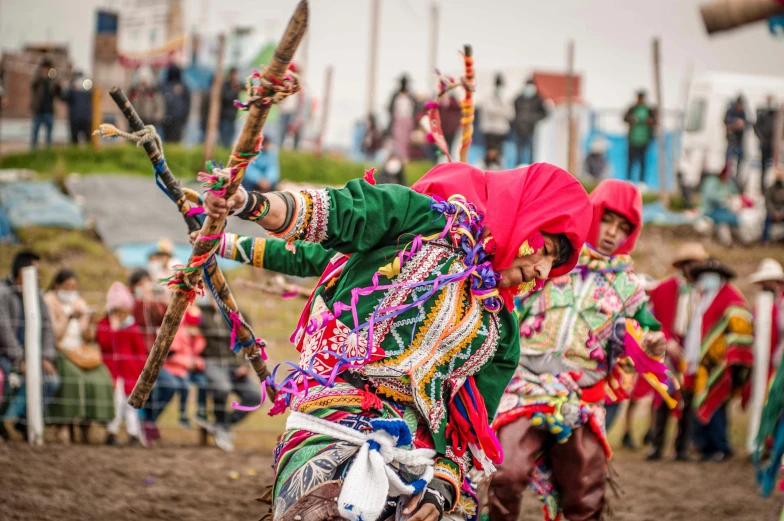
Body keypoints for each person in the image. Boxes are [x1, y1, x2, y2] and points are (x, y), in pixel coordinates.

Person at [203, 161, 592, 521]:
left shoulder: (502, 331)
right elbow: (334, 213)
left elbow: (470, 430)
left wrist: (441, 488)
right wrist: (248, 203)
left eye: (554, 264)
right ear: (521, 218)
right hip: (335, 418)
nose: (542, 269)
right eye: (544, 249)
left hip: (418, 458)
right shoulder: (420, 220)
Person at [487, 179, 667, 521]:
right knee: (504, 474)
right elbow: (509, 307)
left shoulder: (630, 289)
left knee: (585, 492)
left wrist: (651, 345)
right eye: (607, 220)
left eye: (623, 227)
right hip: (525, 385)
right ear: (591, 215)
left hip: (582, 395)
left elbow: (645, 338)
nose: (612, 232)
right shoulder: (552, 260)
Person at [680, 259, 753, 462]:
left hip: (718, 362)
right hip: (699, 361)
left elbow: (741, 324)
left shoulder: (730, 296)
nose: (706, 279)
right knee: (701, 400)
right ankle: (705, 446)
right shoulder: (702, 298)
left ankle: (720, 446)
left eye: (710, 275)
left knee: (717, 402)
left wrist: (729, 354)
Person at [643, 242, 710, 460]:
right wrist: (667, 340)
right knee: (663, 397)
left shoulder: (705, 292)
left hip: (692, 354)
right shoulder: (664, 288)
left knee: (688, 400)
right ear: (683, 266)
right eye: (690, 264)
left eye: (698, 264)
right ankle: (656, 445)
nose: (694, 268)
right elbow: (650, 317)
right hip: (667, 351)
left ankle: (682, 447)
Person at [43, 269, 114, 444]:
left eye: (74, 286)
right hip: (59, 351)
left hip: (79, 351)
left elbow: (88, 338)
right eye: (67, 286)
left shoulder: (79, 302)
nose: (70, 290)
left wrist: (90, 323)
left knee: (101, 377)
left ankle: (87, 424)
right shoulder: (49, 301)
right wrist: (68, 317)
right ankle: (64, 425)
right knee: (74, 378)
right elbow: (52, 335)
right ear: (57, 285)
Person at [0, 251, 59, 441]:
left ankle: (25, 422)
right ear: (22, 271)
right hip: (6, 355)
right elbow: (4, 331)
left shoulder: (37, 295)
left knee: (51, 381)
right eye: (36, 271)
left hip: (34, 356)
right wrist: (19, 359)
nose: (39, 276)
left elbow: (47, 326)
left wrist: (46, 357)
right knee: (12, 379)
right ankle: (4, 420)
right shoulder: (3, 292)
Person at [196, 296, 264, 452]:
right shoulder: (200, 313)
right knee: (222, 387)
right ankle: (221, 428)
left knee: (255, 397)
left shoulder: (238, 314)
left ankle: (222, 425)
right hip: (211, 362)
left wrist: (245, 365)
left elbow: (250, 341)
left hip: (234, 366)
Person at [95, 282, 147, 446]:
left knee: (131, 405)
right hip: (113, 373)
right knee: (116, 403)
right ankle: (112, 432)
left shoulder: (132, 326)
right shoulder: (104, 325)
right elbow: (104, 344)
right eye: (120, 311)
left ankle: (133, 434)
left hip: (130, 372)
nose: (124, 315)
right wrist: (114, 330)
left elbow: (140, 350)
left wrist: (142, 370)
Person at [172, 306, 207, 429]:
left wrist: (198, 363)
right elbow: (172, 356)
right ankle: (183, 413)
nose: (193, 329)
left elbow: (201, 356)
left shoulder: (199, 338)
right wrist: (188, 363)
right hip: (180, 369)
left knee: (203, 383)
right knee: (185, 386)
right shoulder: (179, 335)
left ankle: (201, 411)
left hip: (194, 369)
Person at [128, 268, 167, 351]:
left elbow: (163, 319)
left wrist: (154, 303)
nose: (144, 287)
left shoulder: (155, 302)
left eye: (146, 282)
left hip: (153, 346)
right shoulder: (130, 303)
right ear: (133, 287)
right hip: (137, 347)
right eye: (140, 284)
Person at [512, 77, 548, 165]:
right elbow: (513, 112)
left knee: (531, 152)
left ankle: (532, 169)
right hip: (519, 130)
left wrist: (533, 118)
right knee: (518, 153)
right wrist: (518, 120)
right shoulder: (519, 98)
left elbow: (544, 113)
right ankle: (517, 170)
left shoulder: (538, 99)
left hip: (531, 130)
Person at [623, 90, 656, 184]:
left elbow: (655, 121)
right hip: (633, 140)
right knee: (631, 161)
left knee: (643, 162)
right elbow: (624, 118)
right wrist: (632, 119)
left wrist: (649, 121)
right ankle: (629, 180)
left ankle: (642, 182)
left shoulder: (649, 110)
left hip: (644, 140)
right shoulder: (632, 109)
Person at [701, 166, 741, 244]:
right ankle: (727, 242)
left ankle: (736, 240)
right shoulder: (712, 182)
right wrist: (724, 198)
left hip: (725, 210)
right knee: (723, 222)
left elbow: (734, 193)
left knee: (735, 219)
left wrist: (732, 198)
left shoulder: (728, 183)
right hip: (712, 210)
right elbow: (710, 196)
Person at [30, 57, 61, 149]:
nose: (45, 70)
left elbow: (57, 92)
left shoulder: (52, 80)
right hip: (38, 111)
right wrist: (40, 78)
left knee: (49, 137)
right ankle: (33, 152)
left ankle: (47, 153)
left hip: (49, 111)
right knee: (35, 134)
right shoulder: (37, 79)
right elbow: (33, 85)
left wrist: (54, 80)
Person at [480, 73, 513, 155]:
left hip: (502, 131)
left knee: (500, 154)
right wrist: (502, 111)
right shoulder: (488, 97)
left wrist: (498, 111)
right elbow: (489, 110)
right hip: (490, 130)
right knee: (490, 153)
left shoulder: (507, 97)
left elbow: (511, 114)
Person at [388, 75, 417, 163]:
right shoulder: (396, 95)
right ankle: (399, 157)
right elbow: (390, 108)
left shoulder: (410, 96)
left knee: (406, 140)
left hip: (408, 120)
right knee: (398, 139)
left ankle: (405, 158)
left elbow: (415, 109)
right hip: (398, 120)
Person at [60, 70, 93, 145]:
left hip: (82, 118)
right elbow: (64, 97)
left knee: (85, 140)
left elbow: (63, 97)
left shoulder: (86, 89)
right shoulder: (72, 90)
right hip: (80, 118)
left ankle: (87, 154)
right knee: (76, 140)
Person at [128, 67, 164, 133]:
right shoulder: (134, 92)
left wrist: (156, 118)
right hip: (137, 118)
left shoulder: (153, 92)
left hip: (150, 119)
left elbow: (159, 106)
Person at [161, 64, 191, 143]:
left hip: (178, 118)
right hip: (166, 117)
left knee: (176, 140)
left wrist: (184, 117)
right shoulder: (164, 85)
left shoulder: (183, 87)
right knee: (166, 140)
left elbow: (187, 103)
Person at [724, 96, 748, 187]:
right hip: (731, 142)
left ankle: (736, 182)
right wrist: (736, 124)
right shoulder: (730, 112)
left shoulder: (743, 113)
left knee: (740, 164)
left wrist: (740, 124)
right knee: (728, 163)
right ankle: (727, 180)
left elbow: (746, 124)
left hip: (739, 143)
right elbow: (727, 124)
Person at [754, 95, 777, 188]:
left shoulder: (775, 114)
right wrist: (761, 138)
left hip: (773, 145)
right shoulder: (763, 113)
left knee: (772, 166)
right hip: (765, 144)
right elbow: (756, 127)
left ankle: (771, 186)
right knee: (763, 167)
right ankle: (762, 186)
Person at [219, 67, 241, 148]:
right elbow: (225, 97)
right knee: (224, 138)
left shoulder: (237, 85)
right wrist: (234, 91)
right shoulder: (225, 85)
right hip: (224, 116)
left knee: (231, 137)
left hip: (233, 117)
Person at [763, 167, 784, 244]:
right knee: (767, 220)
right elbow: (768, 202)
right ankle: (765, 239)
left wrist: (781, 213)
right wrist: (774, 212)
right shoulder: (770, 189)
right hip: (773, 212)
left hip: (781, 212)